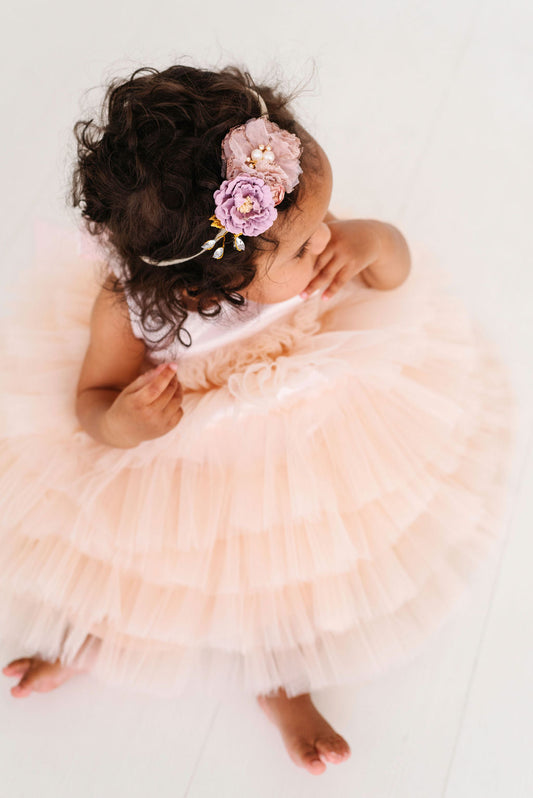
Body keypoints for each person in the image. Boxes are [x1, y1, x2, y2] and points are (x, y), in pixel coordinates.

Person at [0, 64, 517, 776]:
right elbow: (92, 403)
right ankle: (89, 635)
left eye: (325, 220)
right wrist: (126, 422)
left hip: (312, 442)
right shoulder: (135, 310)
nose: (327, 238)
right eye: (307, 244)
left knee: (289, 574)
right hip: (192, 463)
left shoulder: (303, 231)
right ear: (206, 284)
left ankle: (280, 681)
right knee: (139, 569)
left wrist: (374, 243)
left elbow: (396, 275)